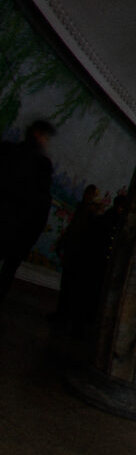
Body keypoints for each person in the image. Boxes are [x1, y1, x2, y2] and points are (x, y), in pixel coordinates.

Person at [0, 120, 55, 305]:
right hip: (18, 232)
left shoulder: (7, 151)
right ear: (39, 135)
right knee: (7, 273)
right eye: (46, 137)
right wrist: (31, 237)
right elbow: (41, 205)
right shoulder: (41, 165)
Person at [54, 184, 108, 335]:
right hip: (74, 252)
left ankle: (65, 315)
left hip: (79, 255)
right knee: (67, 285)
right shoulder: (84, 211)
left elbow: (81, 233)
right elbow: (72, 229)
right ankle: (62, 314)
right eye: (87, 193)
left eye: (90, 193)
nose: (87, 195)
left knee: (71, 287)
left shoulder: (91, 214)